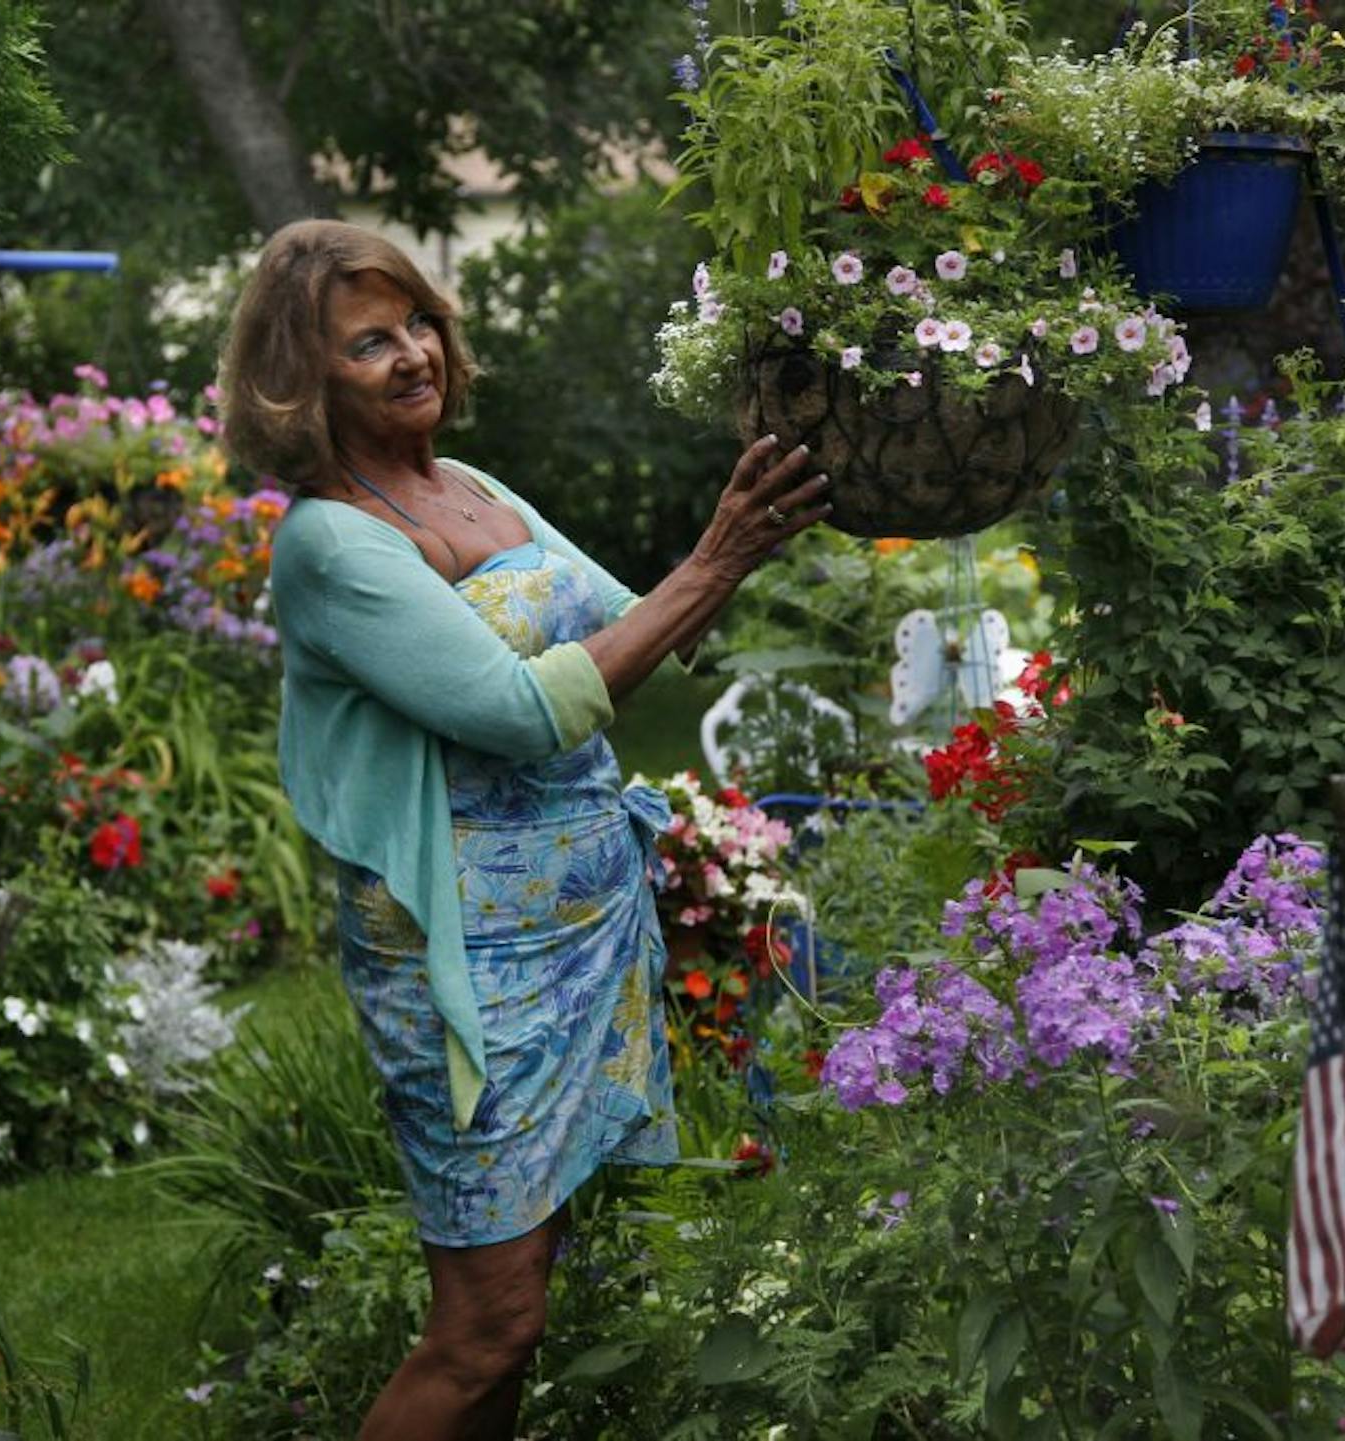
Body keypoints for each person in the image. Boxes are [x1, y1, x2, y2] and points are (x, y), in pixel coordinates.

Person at [217, 219, 830, 1441]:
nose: (412, 355)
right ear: (299, 383)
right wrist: (713, 561)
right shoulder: (331, 542)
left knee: (522, 1306)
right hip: (469, 969)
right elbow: (522, 711)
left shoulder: (474, 490)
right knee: (482, 1321)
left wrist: (768, 501)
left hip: (575, 936)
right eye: (368, 343)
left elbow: (638, 624)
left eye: (419, 324)